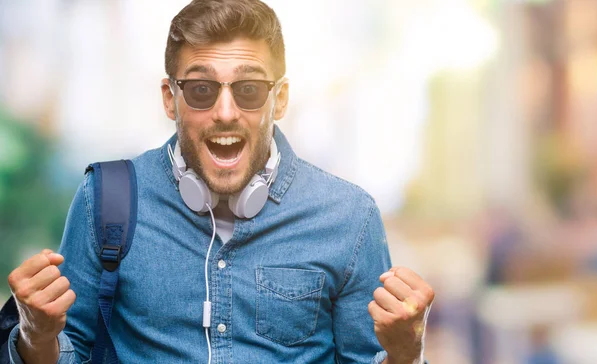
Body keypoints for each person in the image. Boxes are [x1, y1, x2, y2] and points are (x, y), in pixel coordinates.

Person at [6, 0, 435, 363]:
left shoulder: (348, 217)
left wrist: (405, 354)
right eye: (200, 90)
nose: (226, 112)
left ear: (279, 99)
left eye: (248, 89)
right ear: (170, 99)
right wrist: (36, 336)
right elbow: (72, 350)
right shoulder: (105, 198)